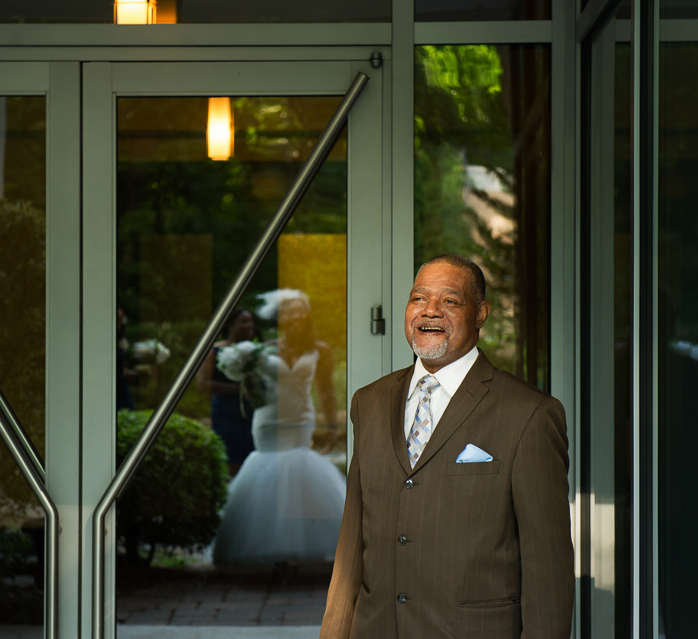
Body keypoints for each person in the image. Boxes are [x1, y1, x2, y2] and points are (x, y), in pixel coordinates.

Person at [320, 255, 573, 638]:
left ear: (481, 313)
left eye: (450, 301)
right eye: (418, 298)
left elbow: (548, 569)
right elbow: (352, 542)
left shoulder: (530, 414)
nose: (430, 311)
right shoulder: (369, 402)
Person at [213, 290, 346, 565]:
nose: (295, 316)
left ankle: (300, 545)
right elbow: (251, 391)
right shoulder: (264, 349)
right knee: (267, 474)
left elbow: (326, 392)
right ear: (279, 318)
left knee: (298, 472)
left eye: (299, 310)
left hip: (301, 420)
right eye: (288, 311)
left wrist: (331, 427)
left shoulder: (319, 349)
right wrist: (247, 382)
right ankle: (263, 546)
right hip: (267, 421)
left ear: (307, 315)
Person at [196, 308, 258, 477]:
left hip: (252, 413)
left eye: (251, 321)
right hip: (226, 414)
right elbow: (202, 383)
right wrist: (238, 389)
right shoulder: (214, 351)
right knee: (231, 460)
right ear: (230, 325)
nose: (250, 325)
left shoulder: (256, 352)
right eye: (244, 321)